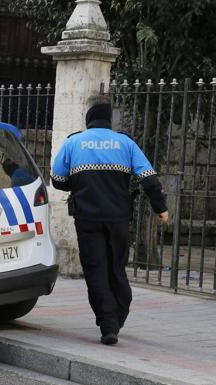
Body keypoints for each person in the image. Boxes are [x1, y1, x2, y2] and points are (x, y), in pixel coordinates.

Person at [50, 95, 168, 346]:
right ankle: (118, 314)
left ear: (89, 120)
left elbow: (57, 180)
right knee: (116, 267)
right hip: (118, 219)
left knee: (96, 270)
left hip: (87, 218)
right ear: (109, 120)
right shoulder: (125, 143)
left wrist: (81, 183)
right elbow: (149, 179)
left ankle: (107, 324)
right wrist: (161, 208)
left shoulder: (74, 142)